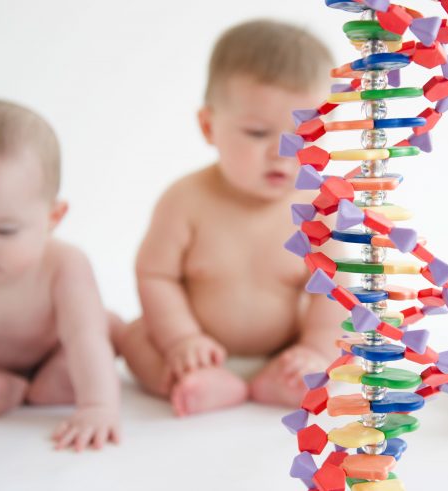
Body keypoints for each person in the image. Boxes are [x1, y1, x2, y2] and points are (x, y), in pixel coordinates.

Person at [117, 19, 347, 417]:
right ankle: (197, 379)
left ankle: (285, 379)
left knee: (344, 348)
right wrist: (181, 340)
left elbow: (332, 291)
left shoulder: (319, 210)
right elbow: (155, 275)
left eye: (305, 135)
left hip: (284, 349)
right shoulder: (185, 201)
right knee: (134, 339)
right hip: (197, 345)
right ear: (209, 127)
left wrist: (312, 349)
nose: (282, 152)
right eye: (257, 133)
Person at [0, 100, 121, 451]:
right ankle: (6, 387)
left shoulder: (63, 265)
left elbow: (84, 337)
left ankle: (41, 383)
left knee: (103, 333)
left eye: (5, 231)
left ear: (53, 217)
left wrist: (98, 407)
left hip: (54, 351)